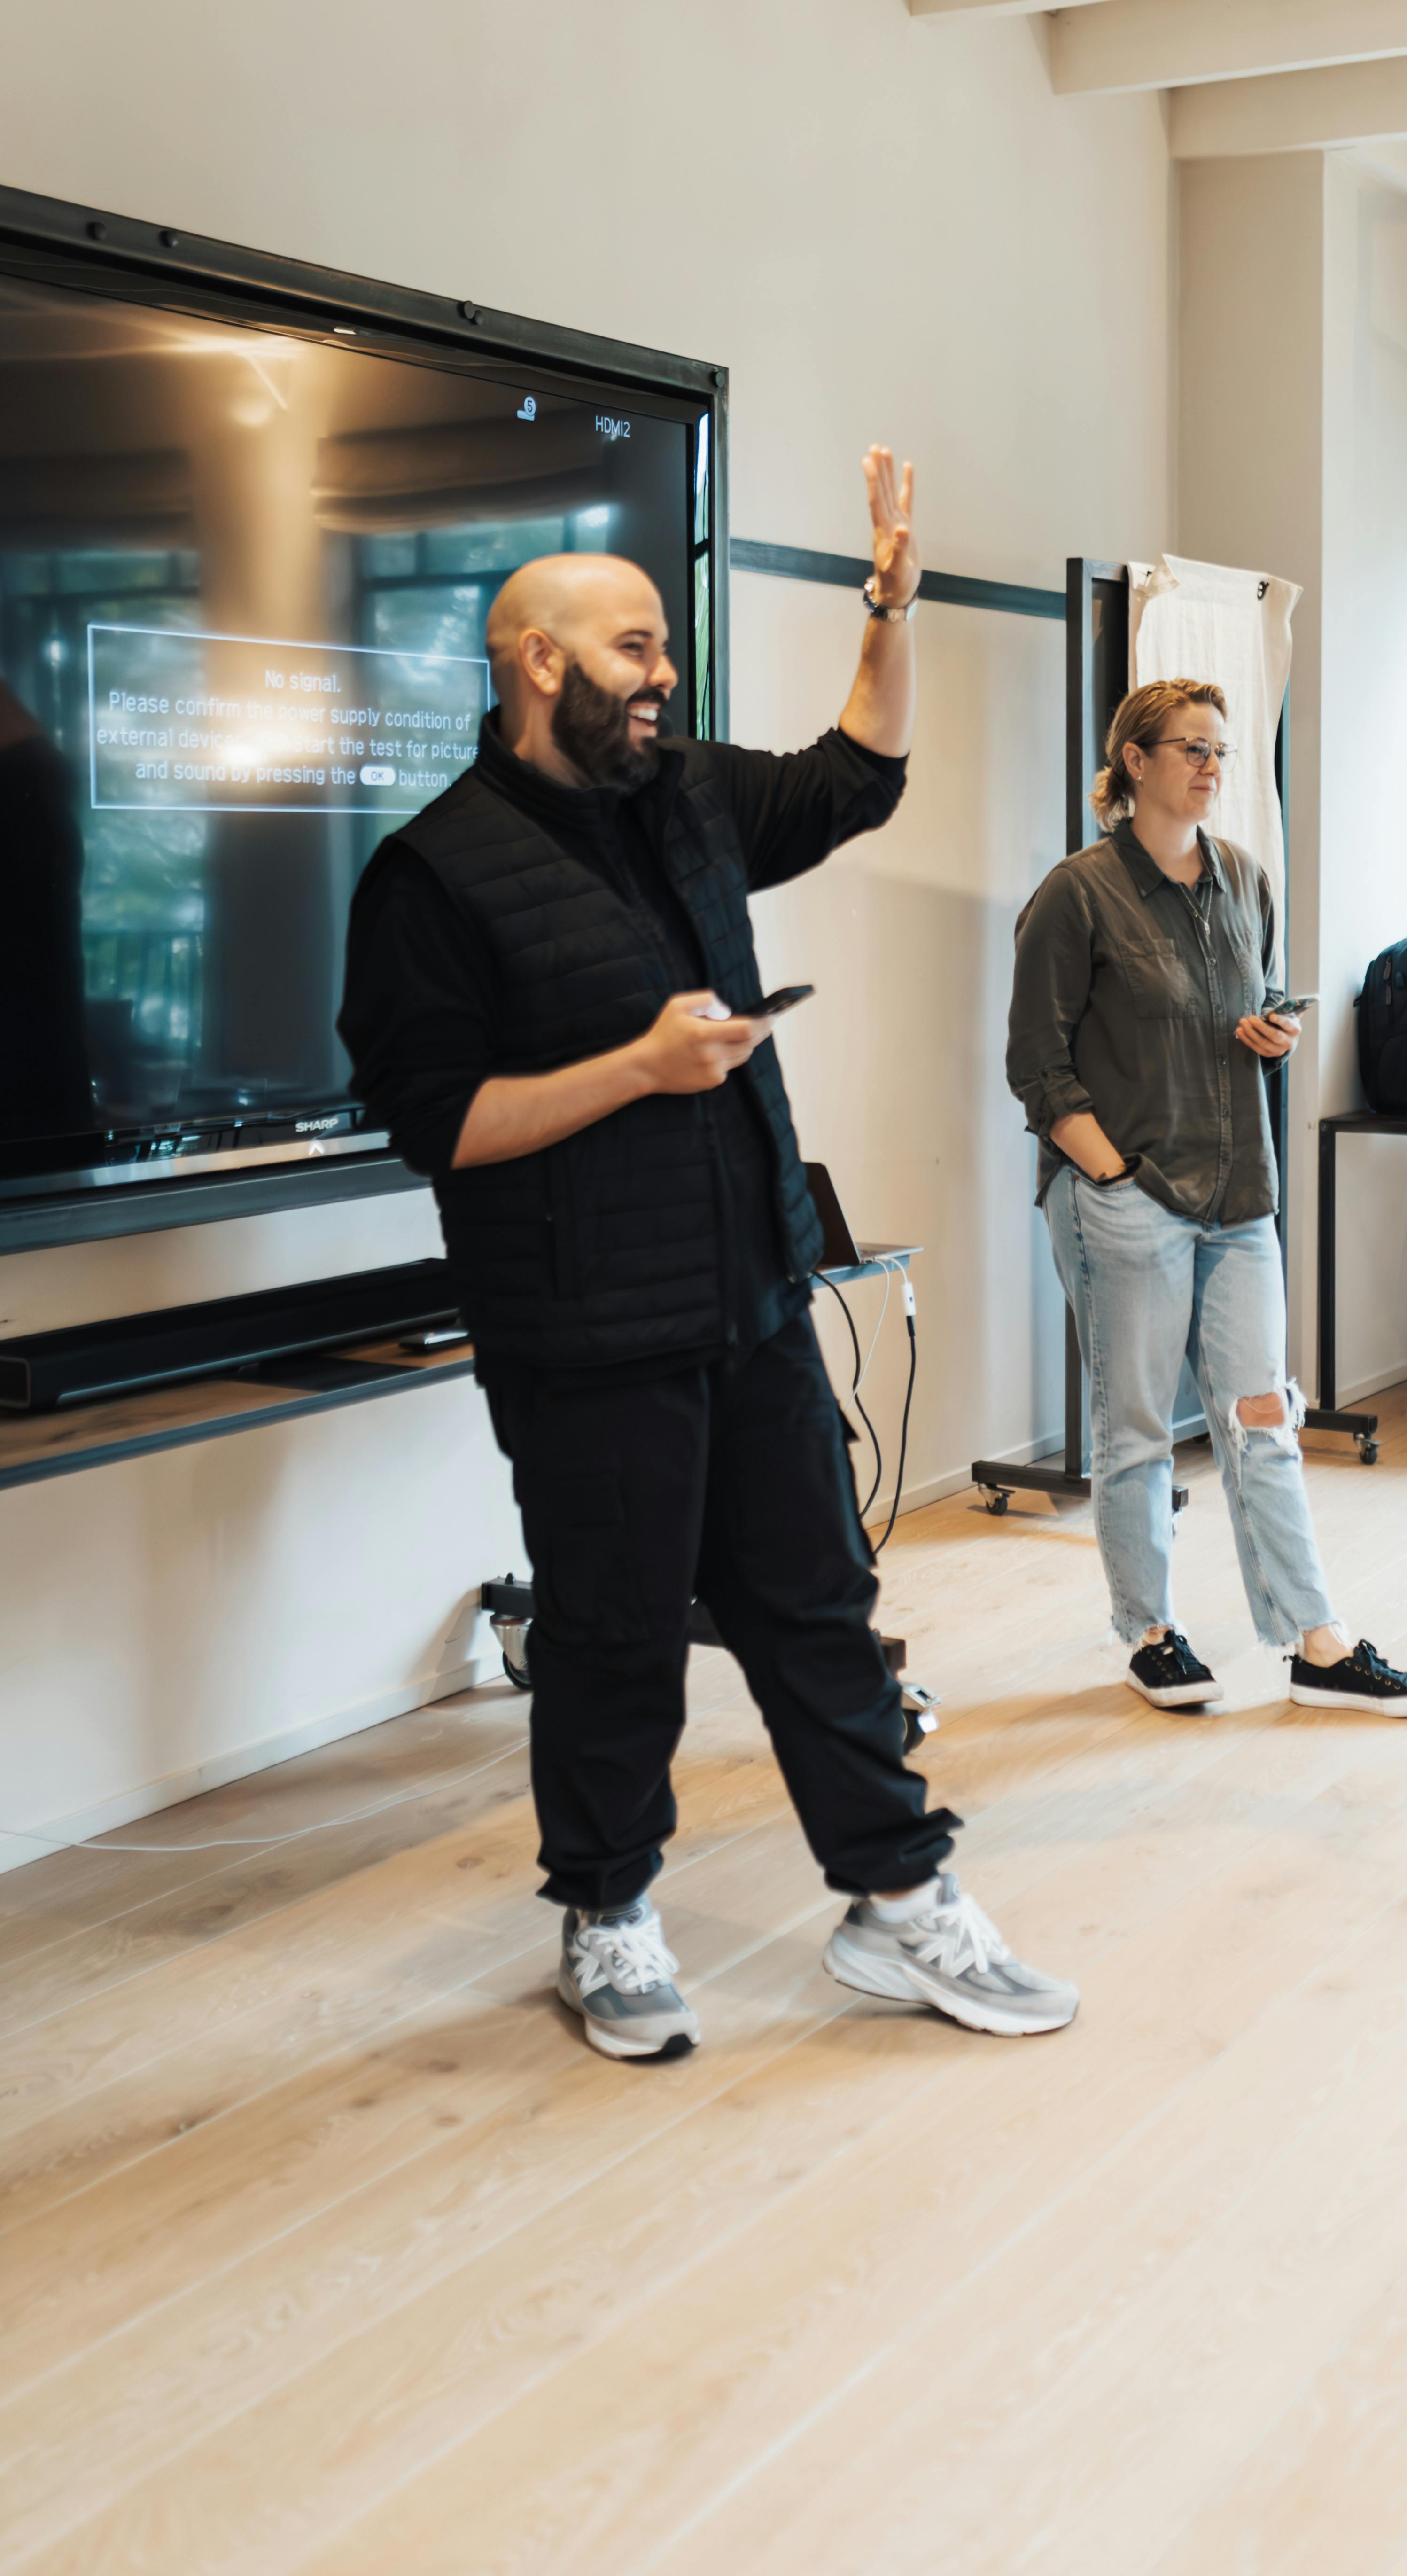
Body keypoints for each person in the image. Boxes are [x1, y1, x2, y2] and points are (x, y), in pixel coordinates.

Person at [340, 450, 1077, 2058]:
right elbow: (435, 1119)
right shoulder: (432, 872)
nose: (663, 675)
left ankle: (897, 1904)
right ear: (537, 662)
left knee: (818, 1603)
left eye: (663, 650)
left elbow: (853, 775)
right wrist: (636, 1068)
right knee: (610, 1637)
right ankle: (604, 1918)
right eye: (633, 650)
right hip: (580, 1329)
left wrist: (890, 607)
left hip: (747, 1298)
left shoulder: (680, 800)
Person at [1006, 675, 1407, 1721]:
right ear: (1136, 764)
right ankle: (1150, 1633)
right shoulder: (1076, 893)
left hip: (1240, 1194)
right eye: (1190, 748)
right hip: (1128, 1198)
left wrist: (1272, 1033)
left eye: (1220, 750)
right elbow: (1037, 1065)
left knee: (1262, 1421)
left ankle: (1317, 1642)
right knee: (1137, 1431)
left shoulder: (1244, 880)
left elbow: (1246, 1009)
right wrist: (1107, 1170)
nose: (1210, 767)